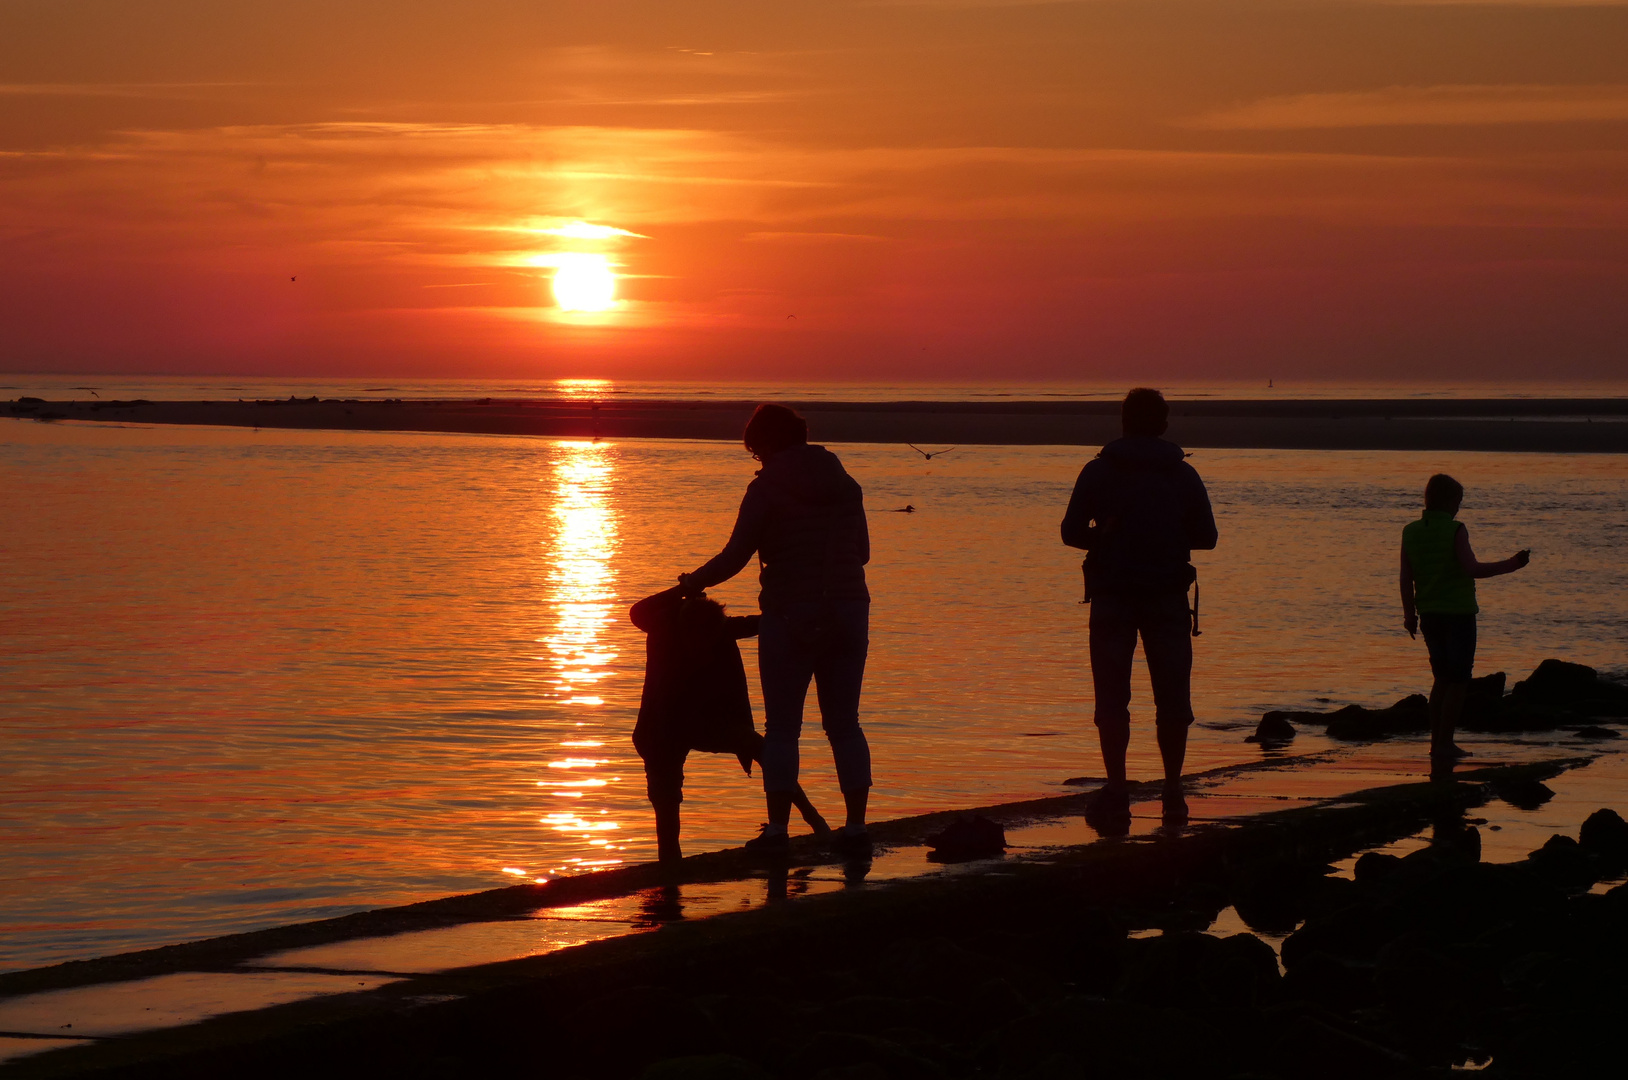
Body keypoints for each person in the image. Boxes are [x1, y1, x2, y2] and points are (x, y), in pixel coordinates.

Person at [678, 403, 874, 857]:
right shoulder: (847, 486)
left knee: (783, 727)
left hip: (789, 615)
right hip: (849, 611)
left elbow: (735, 556)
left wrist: (694, 582)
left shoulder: (765, 489)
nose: (758, 460)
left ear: (764, 444)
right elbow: (862, 553)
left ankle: (778, 832)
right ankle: (857, 828)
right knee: (845, 724)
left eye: (757, 451)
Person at [1061, 388, 1218, 828]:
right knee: (1172, 698)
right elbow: (1207, 537)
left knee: (1112, 699)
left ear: (1123, 422)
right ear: (1164, 426)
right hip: (1167, 596)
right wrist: (1167, 534)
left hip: (1112, 596)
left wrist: (1105, 535)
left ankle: (1117, 790)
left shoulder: (1098, 471)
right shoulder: (1183, 475)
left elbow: (1070, 531)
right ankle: (1172, 789)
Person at [629, 586, 829, 863]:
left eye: (710, 637)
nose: (702, 645)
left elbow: (767, 622)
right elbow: (637, 610)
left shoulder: (724, 629)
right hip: (661, 726)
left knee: (764, 749)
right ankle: (670, 867)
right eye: (697, 637)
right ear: (682, 627)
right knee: (666, 802)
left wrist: (787, 608)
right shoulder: (661, 624)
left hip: (709, 720)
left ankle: (815, 820)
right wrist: (684, 589)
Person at [1399, 473, 1530, 774]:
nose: (1459, 508)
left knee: (1442, 679)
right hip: (1457, 613)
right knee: (1458, 680)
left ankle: (1437, 741)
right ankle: (1445, 742)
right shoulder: (1456, 529)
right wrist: (1513, 564)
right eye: (1458, 501)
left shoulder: (1410, 531)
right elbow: (1471, 568)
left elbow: (1406, 577)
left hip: (1429, 613)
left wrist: (1409, 615)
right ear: (1448, 501)